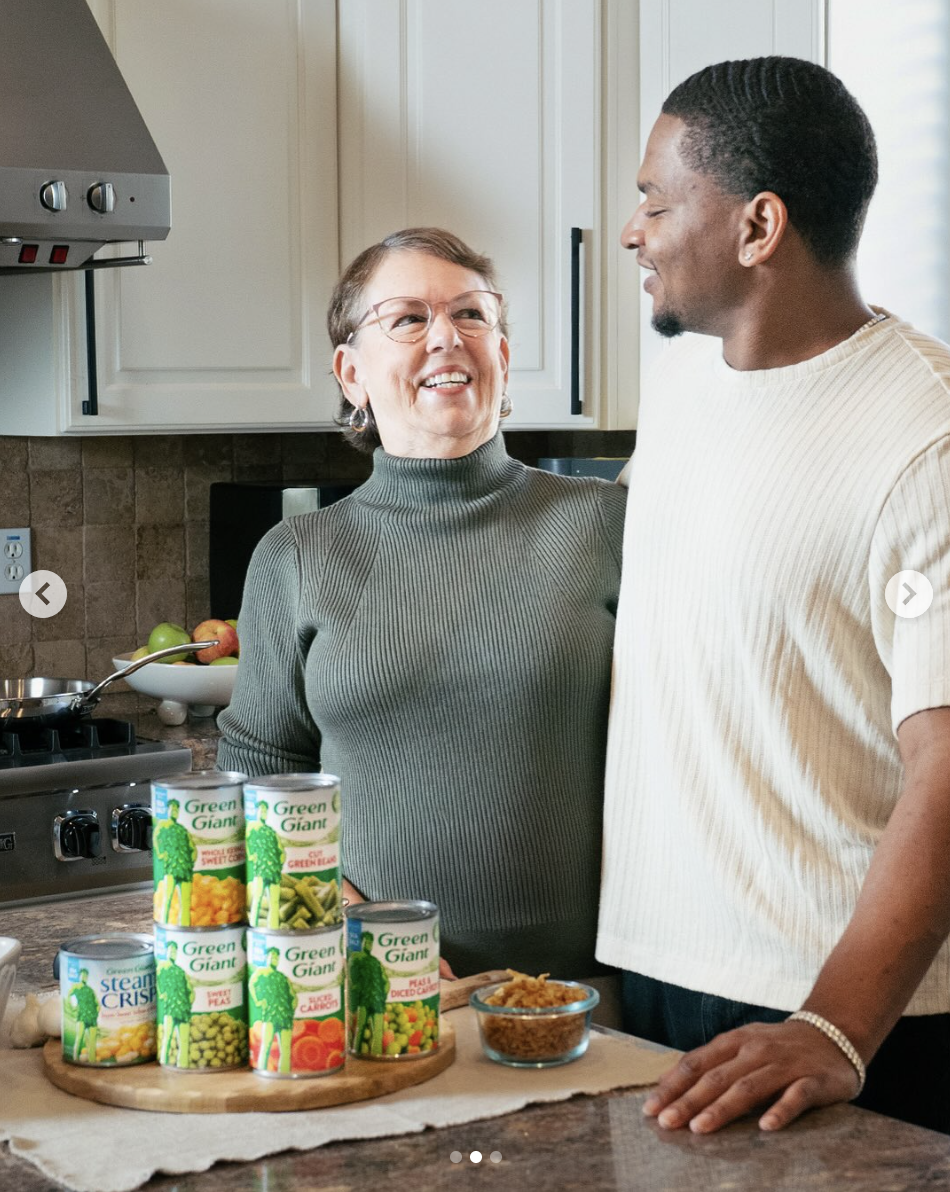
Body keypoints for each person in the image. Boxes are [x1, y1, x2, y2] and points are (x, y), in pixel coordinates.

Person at [599, 56, 950, 1135]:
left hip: (838, 1019)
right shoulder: (682, 398)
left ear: (756, 228)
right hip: (654, 985)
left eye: (655, 201)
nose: (630, 231)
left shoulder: (923, 433)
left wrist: (835, 1027)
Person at [218, 227, 625, 989]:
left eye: (472, 316)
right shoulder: (296, 556)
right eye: (407, 319)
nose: (447, 337)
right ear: (351, 373)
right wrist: (349, 932)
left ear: (502, 358)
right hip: (375, 990)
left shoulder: (603, 523)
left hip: (585, 994)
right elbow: (260, 777)